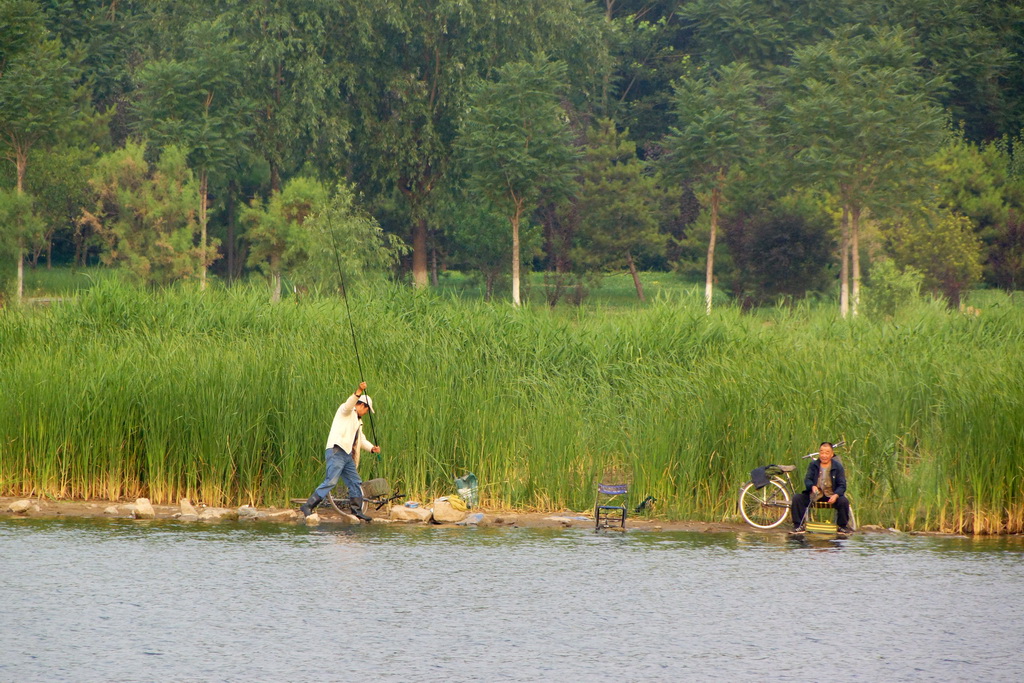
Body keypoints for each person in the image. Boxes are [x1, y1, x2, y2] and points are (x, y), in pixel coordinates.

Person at [300, 381, 381, 522]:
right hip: (336, 450)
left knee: (355, 481)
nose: (366, 413)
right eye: (367, 410)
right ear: (362, 405)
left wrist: (372, 448)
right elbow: (349, 404)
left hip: (347, 455)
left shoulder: (358, 422)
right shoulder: (346, 411)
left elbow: (361, 440)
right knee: (331, 481)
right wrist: (358, 391)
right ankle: (308, 506)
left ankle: (356, 511)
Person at [791, 442, 852, 534]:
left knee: (843, 501)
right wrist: (812, 486)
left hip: (831, 495)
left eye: (827, 453)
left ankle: (842, 527)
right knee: (797, 498)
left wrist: (836, 495)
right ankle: (798, 526)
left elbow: (842, 485)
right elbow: (808, 479)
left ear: (831, 454)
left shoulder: (838, 467)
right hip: (815, 495)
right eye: (822, 452)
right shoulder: (813, 465)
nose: (824, 455)